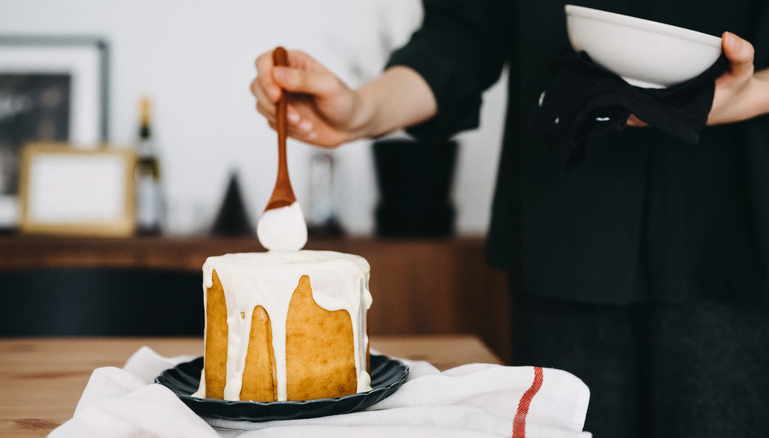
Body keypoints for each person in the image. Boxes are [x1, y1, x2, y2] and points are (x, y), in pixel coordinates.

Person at [251, 1, 769, 437]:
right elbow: (463, 33)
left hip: (742, 234)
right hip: (563, 233)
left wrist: (757, 93)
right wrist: (362, 109)